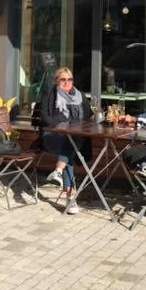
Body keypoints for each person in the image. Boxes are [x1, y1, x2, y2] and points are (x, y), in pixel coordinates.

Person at [33, 67, 92, 215]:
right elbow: (46, 118)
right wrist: (63, 122)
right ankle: (70, 197)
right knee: (70, 147)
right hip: (50, 137)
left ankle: (58, 171)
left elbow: (89, 115)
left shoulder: (79, 96)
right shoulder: (50, 93)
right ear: (56, 81)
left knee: (71, 143)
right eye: (63, 79)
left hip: (71, 139)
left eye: (69, 79)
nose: (66, 82)